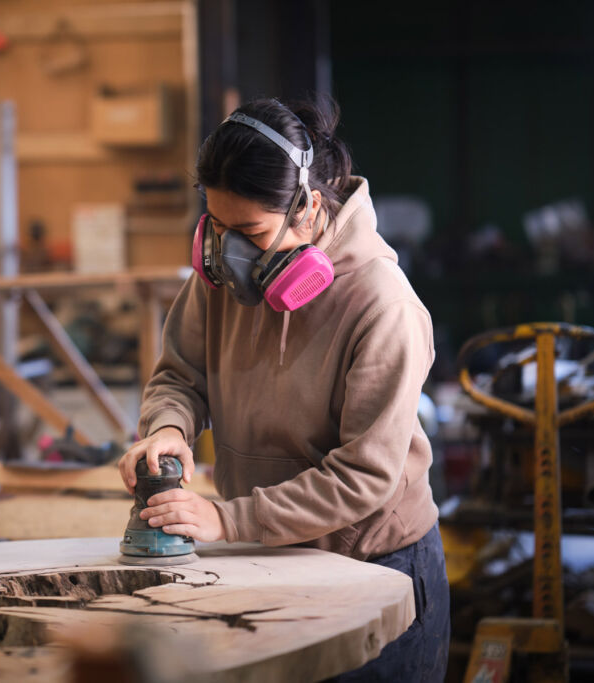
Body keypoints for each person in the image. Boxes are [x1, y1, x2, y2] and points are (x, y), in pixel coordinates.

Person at [117, 95, 450, 681]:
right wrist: (168, 428)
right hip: (265, 555)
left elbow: (363, 476)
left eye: (250, 231)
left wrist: (227, 522)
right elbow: (181, 374)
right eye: (216, 228)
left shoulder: (383, 305)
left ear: (309, 207)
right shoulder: (218, 277)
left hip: (373, 566)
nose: (229, 253)